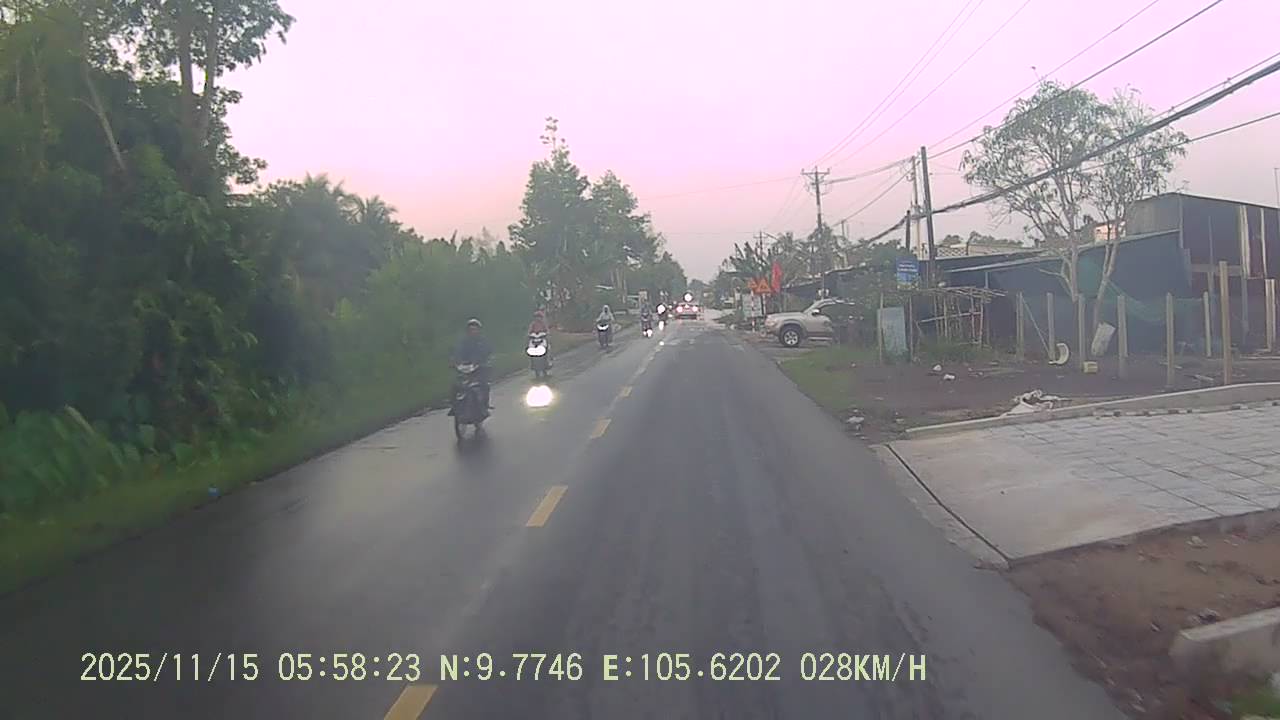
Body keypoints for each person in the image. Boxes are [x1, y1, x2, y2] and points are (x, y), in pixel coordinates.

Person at [452, 318, 492, 410]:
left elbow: (488, 352)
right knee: (455, 386)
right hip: (465, 368)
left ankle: (485, 405)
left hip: (479, 368)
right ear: (467, 331)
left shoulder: (483, 341)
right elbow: (458, 352)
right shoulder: (463, 342)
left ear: (479, 330)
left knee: (485, 384)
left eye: (475, 329)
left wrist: (483, 361)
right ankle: (454, 406)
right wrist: (455, 362)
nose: (473, 331)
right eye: (471, 329)